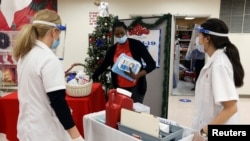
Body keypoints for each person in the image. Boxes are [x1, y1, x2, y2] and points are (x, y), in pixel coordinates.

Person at [13, 9, 84, 141]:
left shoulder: (25, 55)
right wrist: (77, 137)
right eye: (59, 33)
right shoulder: (48, 59)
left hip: (27, 130)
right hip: (45, 133)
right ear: (54, 32)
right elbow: (58, 102)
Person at [192, 18, 244, 140]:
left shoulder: (219, 64)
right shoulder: (217, 60)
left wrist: (204, 132)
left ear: (207, 38)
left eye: (199, 36)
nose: (198, 41)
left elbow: (231, 108)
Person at [92, 21, 156, 103]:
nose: (120, 36)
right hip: (120, 89)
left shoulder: (137, 45)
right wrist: (92, 77)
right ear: (114, 35)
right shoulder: (112, 50)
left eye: (122, 33)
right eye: (117, 34)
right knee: (122, 113)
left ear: (126, 31)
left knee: (135, 113)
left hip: (136, 88)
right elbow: (103, 65)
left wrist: (137, 75)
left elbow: (152, 64)